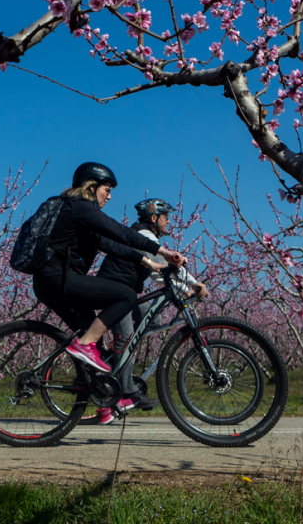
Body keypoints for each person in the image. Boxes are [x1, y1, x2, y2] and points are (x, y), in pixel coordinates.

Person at [32, 163, 188, 424]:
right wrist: (161, 251)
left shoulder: (80, 216)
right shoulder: (81, 208)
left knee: (95, 345)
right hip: (59, 280)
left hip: (52, 283)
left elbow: (114, 246)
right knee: (126, 296)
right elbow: (121, 232)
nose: (110, 195)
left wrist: (150, 263)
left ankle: (104, 400)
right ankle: (84, 345)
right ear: (91, 187)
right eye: (107, 189)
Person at [96, 198, 209, 423]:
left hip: (126, 293)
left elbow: (160, 274)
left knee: (153, 319)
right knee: (126, 338)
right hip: (114, 292)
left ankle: (113, 364)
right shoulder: (145, 237)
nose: (169, 222)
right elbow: (167, 267)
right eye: (166, 217)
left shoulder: (147, 237)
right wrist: (194, 284)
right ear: (154, 218)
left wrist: (184, 289)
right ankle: (124, 390)